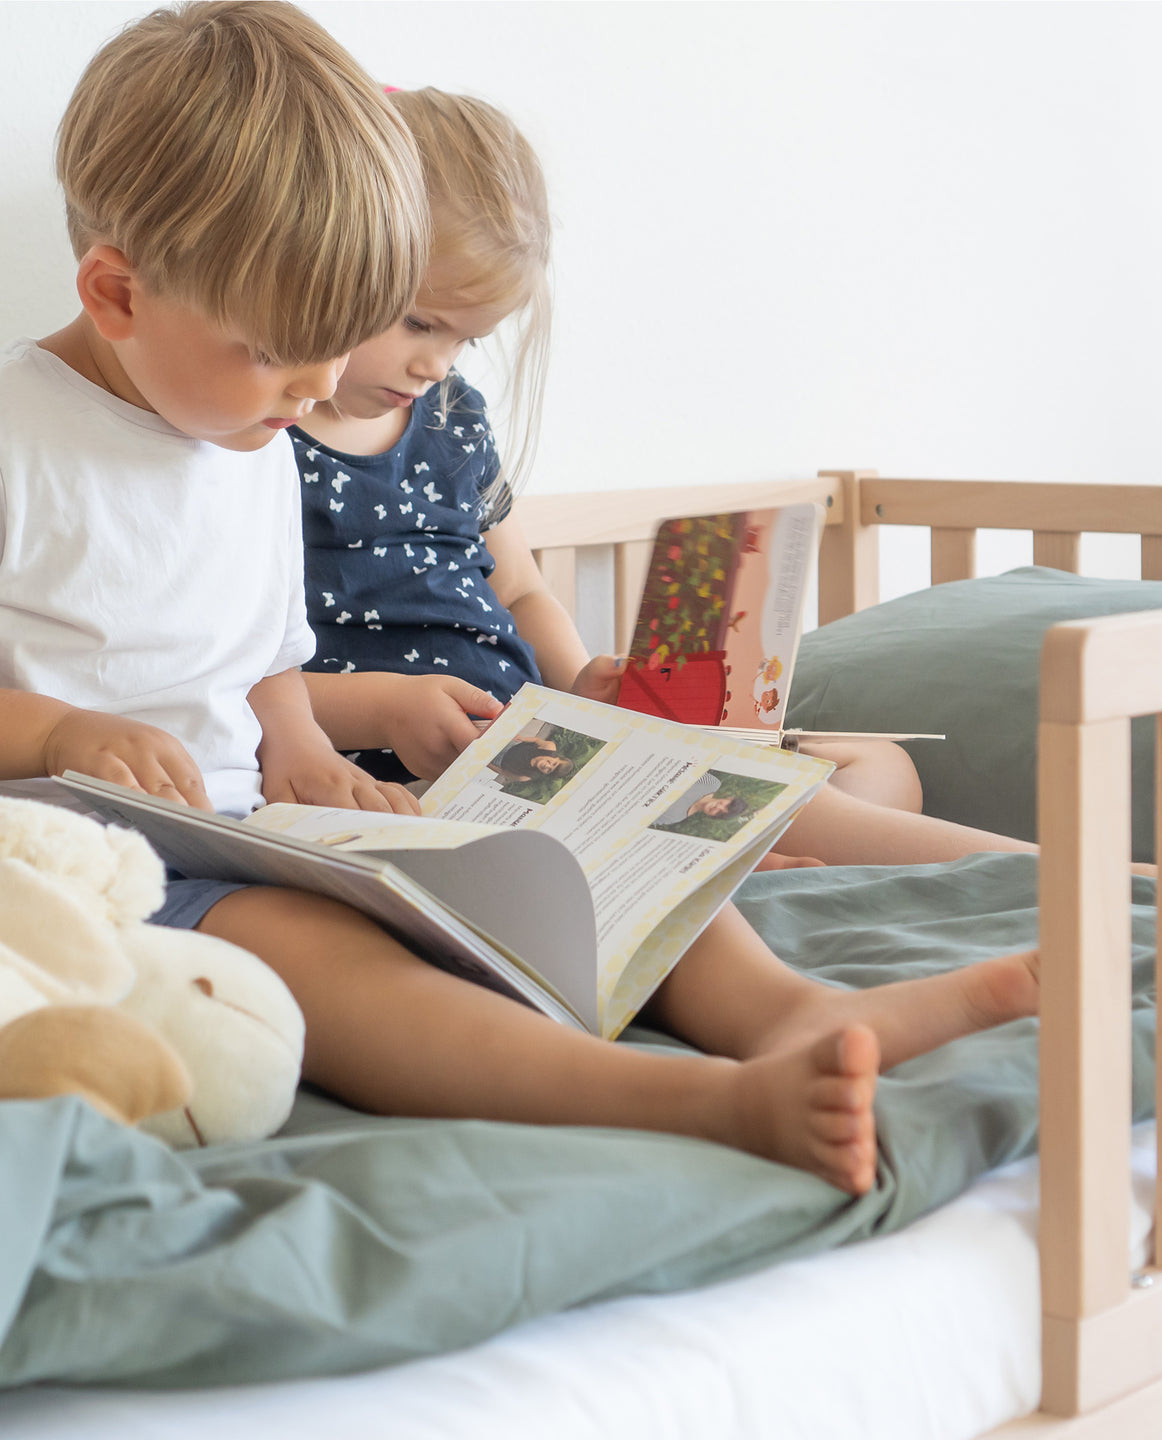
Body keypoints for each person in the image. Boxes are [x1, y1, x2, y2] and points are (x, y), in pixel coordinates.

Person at [0, 21, 1040, 1200]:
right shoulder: (25, 440)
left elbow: (258, 653)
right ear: (117, 291)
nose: (318, 392)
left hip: (254, 823)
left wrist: (293, 744)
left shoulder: (246, 433)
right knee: (327, 965)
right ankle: (686, 1101)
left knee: (570, 851)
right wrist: (56, 735)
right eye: (282, 356)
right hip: (89, 854)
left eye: (334, 353)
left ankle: (788, 1014)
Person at [293, 88, 1052, 874]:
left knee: (882, 765)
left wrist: (580, 680)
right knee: (777, 803)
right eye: (420, 324)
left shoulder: (451, 417)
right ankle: (1049, 874)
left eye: (467, 341)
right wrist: (382, 707)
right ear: (332, 257)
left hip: (528, 749)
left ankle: (737, 862)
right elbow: (233, 677)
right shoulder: (265, 441)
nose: (436, 363)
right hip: (393, 782)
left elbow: (517, 589)